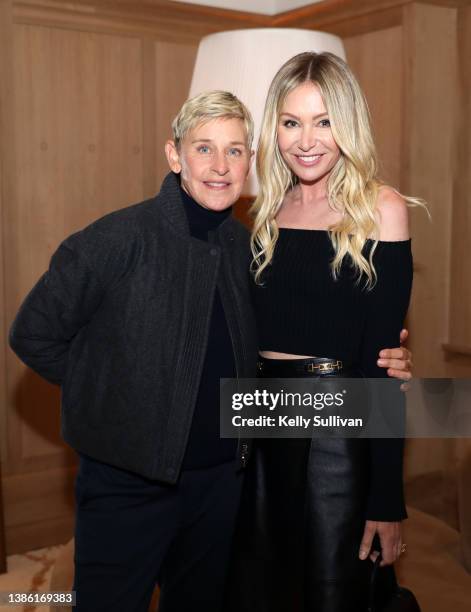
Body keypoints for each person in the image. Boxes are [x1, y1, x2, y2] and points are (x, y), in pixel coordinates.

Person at [9, 90, 411, 612]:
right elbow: (31, 333)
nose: (220, 167)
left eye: (236, 151)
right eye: (204, 149)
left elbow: (298, 340)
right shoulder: (116, 238)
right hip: (128, 485)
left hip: (226, 484)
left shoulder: (249, 247)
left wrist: (382, 367)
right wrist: (117, 399)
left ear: (251, 162)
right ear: (174, 155)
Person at [226, 52, 422, 612]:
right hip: (258, 422)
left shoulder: (380, 210)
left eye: (324, 121)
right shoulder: (263, 211)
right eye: (291, 122)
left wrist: (387, 498)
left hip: (335, 431)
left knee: (329, 593)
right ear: (275, 128)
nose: (305, 139)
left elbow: (384, 366)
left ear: (348, 125)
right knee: (257, 589)